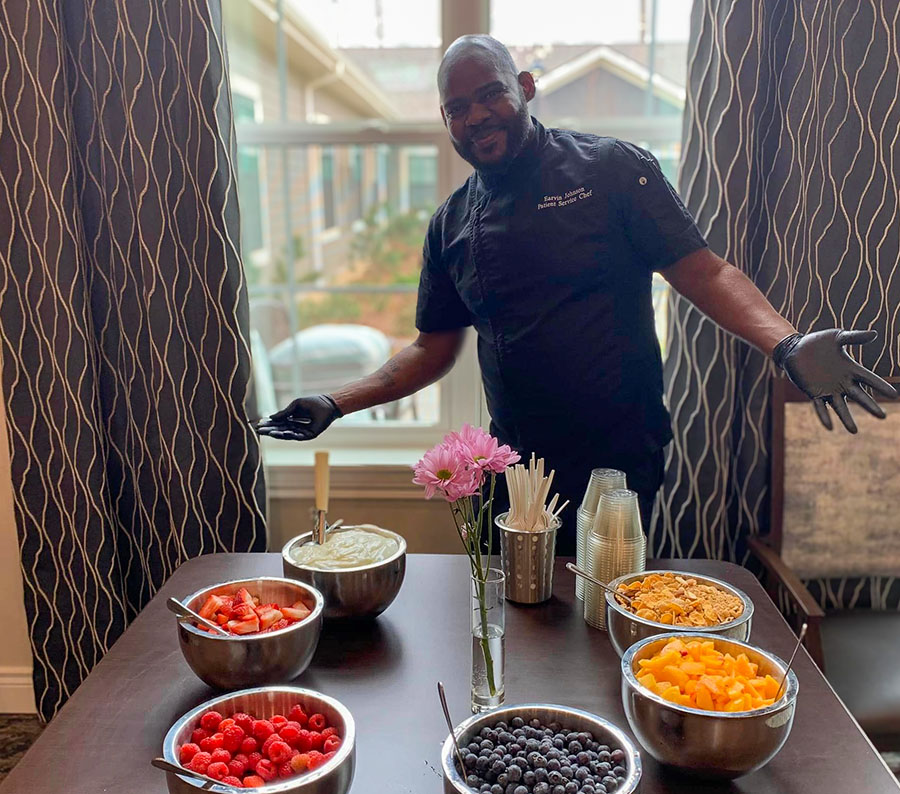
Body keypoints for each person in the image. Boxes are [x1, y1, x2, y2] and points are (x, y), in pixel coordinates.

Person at [258, 35, 896, 555]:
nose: (475, 116)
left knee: (603, 618)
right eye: (457, 107)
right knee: (518, 625)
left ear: (526, 89)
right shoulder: (450, 224)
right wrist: (333, 401)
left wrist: (785, 342)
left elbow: (704, 271)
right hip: (513, 470)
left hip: (618, 462)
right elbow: (430, 350)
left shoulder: (614, 169)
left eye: (490, 95)